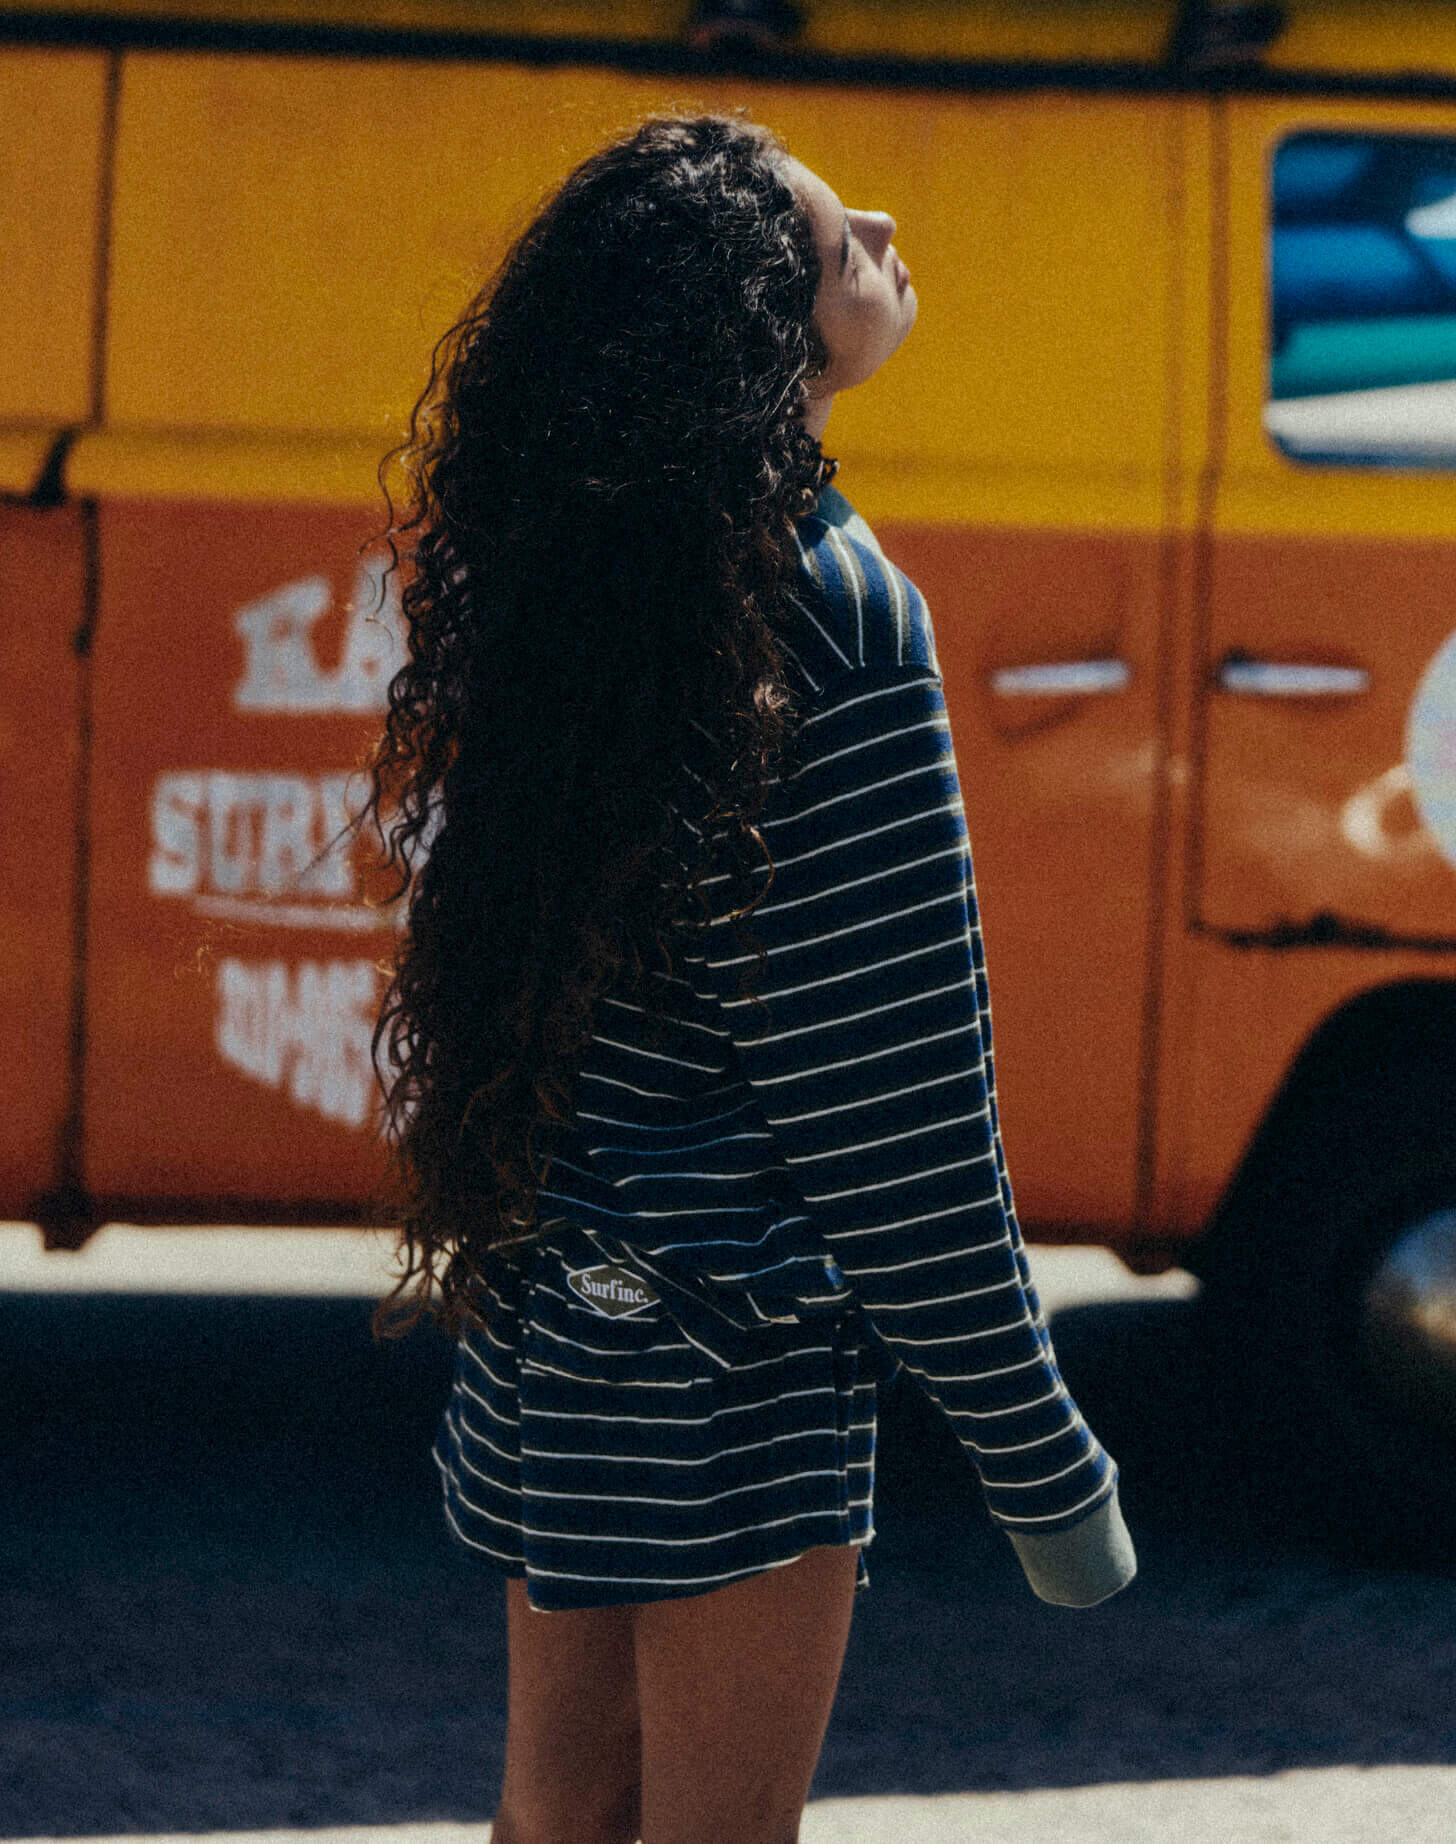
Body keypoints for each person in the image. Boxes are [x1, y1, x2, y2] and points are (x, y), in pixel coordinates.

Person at [368, 113, 1135, 1844]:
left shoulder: (589, 567)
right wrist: (1046, 1467)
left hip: (561, 1303)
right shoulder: (836, 609)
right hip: (737, 1350)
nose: (878, 223)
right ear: (768, 336)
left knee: (562, 1815)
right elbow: (898, 1110)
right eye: (834, 240)